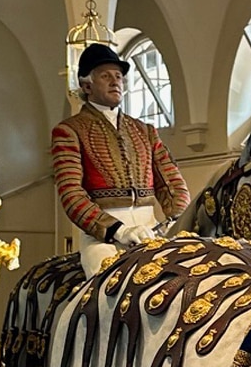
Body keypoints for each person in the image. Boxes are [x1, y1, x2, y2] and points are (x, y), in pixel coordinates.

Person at [53, 42, 189, 277]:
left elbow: (171, 182)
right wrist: (118, 230)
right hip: (102, 240)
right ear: (87, 85)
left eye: (119, 76)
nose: (115, 81)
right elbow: (71, 195)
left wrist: (178, 217)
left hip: (152, 229)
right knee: (105, 283)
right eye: (105, 76)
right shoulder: (69, 130)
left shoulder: (145, 130)